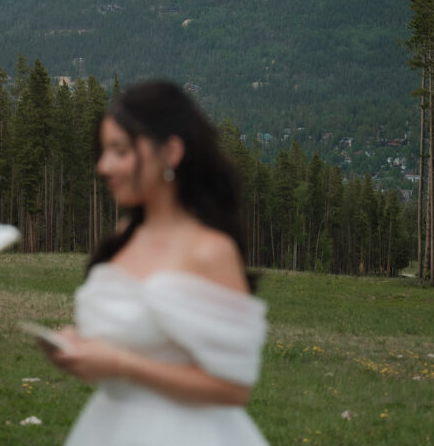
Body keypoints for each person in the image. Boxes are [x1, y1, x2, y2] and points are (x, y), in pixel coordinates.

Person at [43, 81, 269, 446]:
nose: (103, 166)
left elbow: (233, 388)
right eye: (104, 151)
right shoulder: (124, 236)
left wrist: (121, 365)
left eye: (120, 151)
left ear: (171, 152)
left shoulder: (211, 251)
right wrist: (81, 349)